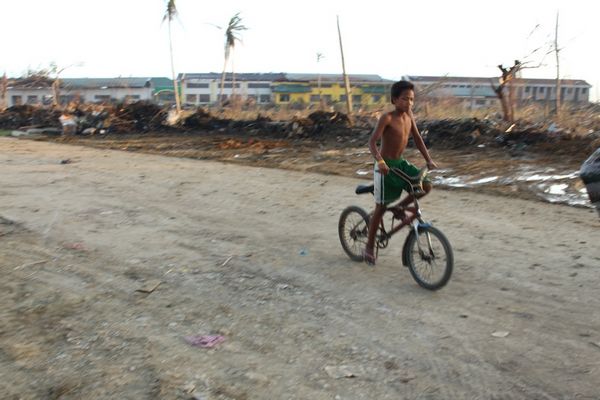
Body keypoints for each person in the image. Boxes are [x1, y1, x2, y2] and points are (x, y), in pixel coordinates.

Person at [363, 80, 438, 265]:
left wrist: (428, 159)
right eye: (405, 99)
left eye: (412, 99)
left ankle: (399, 207)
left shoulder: (409, 117)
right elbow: (372, 142)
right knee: (380, 209)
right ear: (394, 99)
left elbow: (418, 139)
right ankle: (369, 247)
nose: (409, 103)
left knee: (425, 185)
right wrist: (380, 161)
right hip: (384, 167)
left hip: (400, 164)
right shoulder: (387, 118)